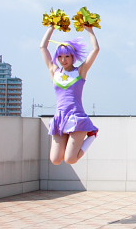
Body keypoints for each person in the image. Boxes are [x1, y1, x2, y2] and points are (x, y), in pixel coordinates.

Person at [40, 25, 99, 165]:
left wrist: (90, 31)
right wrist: (52, 27)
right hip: (60, 118)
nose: (63, 60)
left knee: (70, 159)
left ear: (73, 57)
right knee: (55, 160)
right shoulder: (54, 71)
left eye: (67, 56)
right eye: (60, 56)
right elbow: (43, 47)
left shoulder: (80, 71)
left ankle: (92, 135)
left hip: (76, 118)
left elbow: (96, 49)